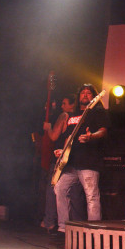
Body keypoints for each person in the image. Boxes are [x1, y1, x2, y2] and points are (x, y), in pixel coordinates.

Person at [50, 84, 109, 235]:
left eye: (89, 93)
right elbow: (69, 138)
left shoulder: (98, 112)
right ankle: (63, 227)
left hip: (89, 162)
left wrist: (91, 136)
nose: (85, 95)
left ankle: (94, 231)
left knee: (91, 196)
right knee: (59, 188)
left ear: (94, 96)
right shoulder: (72, 115)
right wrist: (62, 152)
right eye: (82, 92)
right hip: (71, 163)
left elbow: (103, 131)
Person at [40, 93, 76, 233]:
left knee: (52, 189)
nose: (61, 106)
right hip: (71, 158)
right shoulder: (77, 118)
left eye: (64, 103)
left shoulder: (64, 116)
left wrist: (48, 127)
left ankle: (49, 221)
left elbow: (54, 136)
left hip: (59, 158)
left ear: (71, 105)